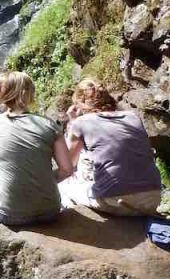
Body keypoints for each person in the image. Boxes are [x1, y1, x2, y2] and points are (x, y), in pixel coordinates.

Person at [0, 71, 73, 242]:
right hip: (49, 213)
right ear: (30, 93)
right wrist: (41, 180)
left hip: (10, 215)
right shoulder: (49, 125)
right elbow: (66, 170)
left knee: (0, 187)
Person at [59, 78, 162, 216]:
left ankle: (79, 227)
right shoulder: (132, 116)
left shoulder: (81, 122)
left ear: (81, 104)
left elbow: (67, 165)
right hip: (153, 198)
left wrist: (72, 122)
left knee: (63, 186)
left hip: (116, 200)